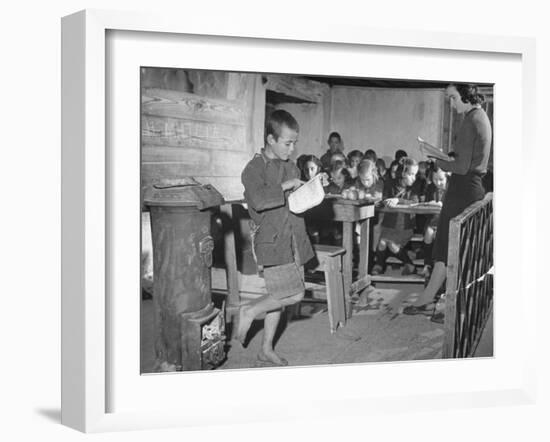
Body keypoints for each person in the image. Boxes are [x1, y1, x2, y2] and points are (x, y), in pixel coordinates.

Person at [403, 84, 492, 321]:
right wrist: (446, 156)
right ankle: (431, 299)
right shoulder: (480, 116)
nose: (452, 104)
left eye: (453, 98)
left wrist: (435, 158)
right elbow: (464, 159)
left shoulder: (471, 119)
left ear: (465, 94)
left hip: (463, 190)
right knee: (446, 248)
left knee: (451, 250)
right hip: (467, 189)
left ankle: (447, 304)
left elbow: (461, 167)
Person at [238, 109, 315, 366]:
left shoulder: (289, 165)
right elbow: (259, 200)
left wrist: (312, 187)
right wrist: (286, 185)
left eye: (295, 143)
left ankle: (266, 349)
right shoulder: (253, 168)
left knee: (279, 297)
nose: (292, 149)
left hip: (294, 238)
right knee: (293, 295)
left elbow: (294, 199)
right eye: (287, 143)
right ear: (271, 139)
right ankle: (249, 310)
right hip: (273, 241)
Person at [372, 158, 419, 276]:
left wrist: (398, 200)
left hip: (405, 227)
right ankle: (379, 265)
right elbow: (384, 200)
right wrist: (381, 202)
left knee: (391, 244)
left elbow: (414, 203)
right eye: (411, 174)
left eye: (415, 174)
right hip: (389, 225)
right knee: (382, 242)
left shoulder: (414, 188)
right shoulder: (390, 185)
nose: (414, 177)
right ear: (403, 173)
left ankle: (410, 264)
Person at [420, 165, 448, 278]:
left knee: (439, 236)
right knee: (429, 233)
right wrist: (430, 203)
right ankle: (427, 264)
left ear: (447, 177)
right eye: (435, 179)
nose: (438, 183)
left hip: (446, 220)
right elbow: (426, 205)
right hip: (433, 219)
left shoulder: (452, 188)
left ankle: (438, 265)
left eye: (441, 179)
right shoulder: (431, 187)